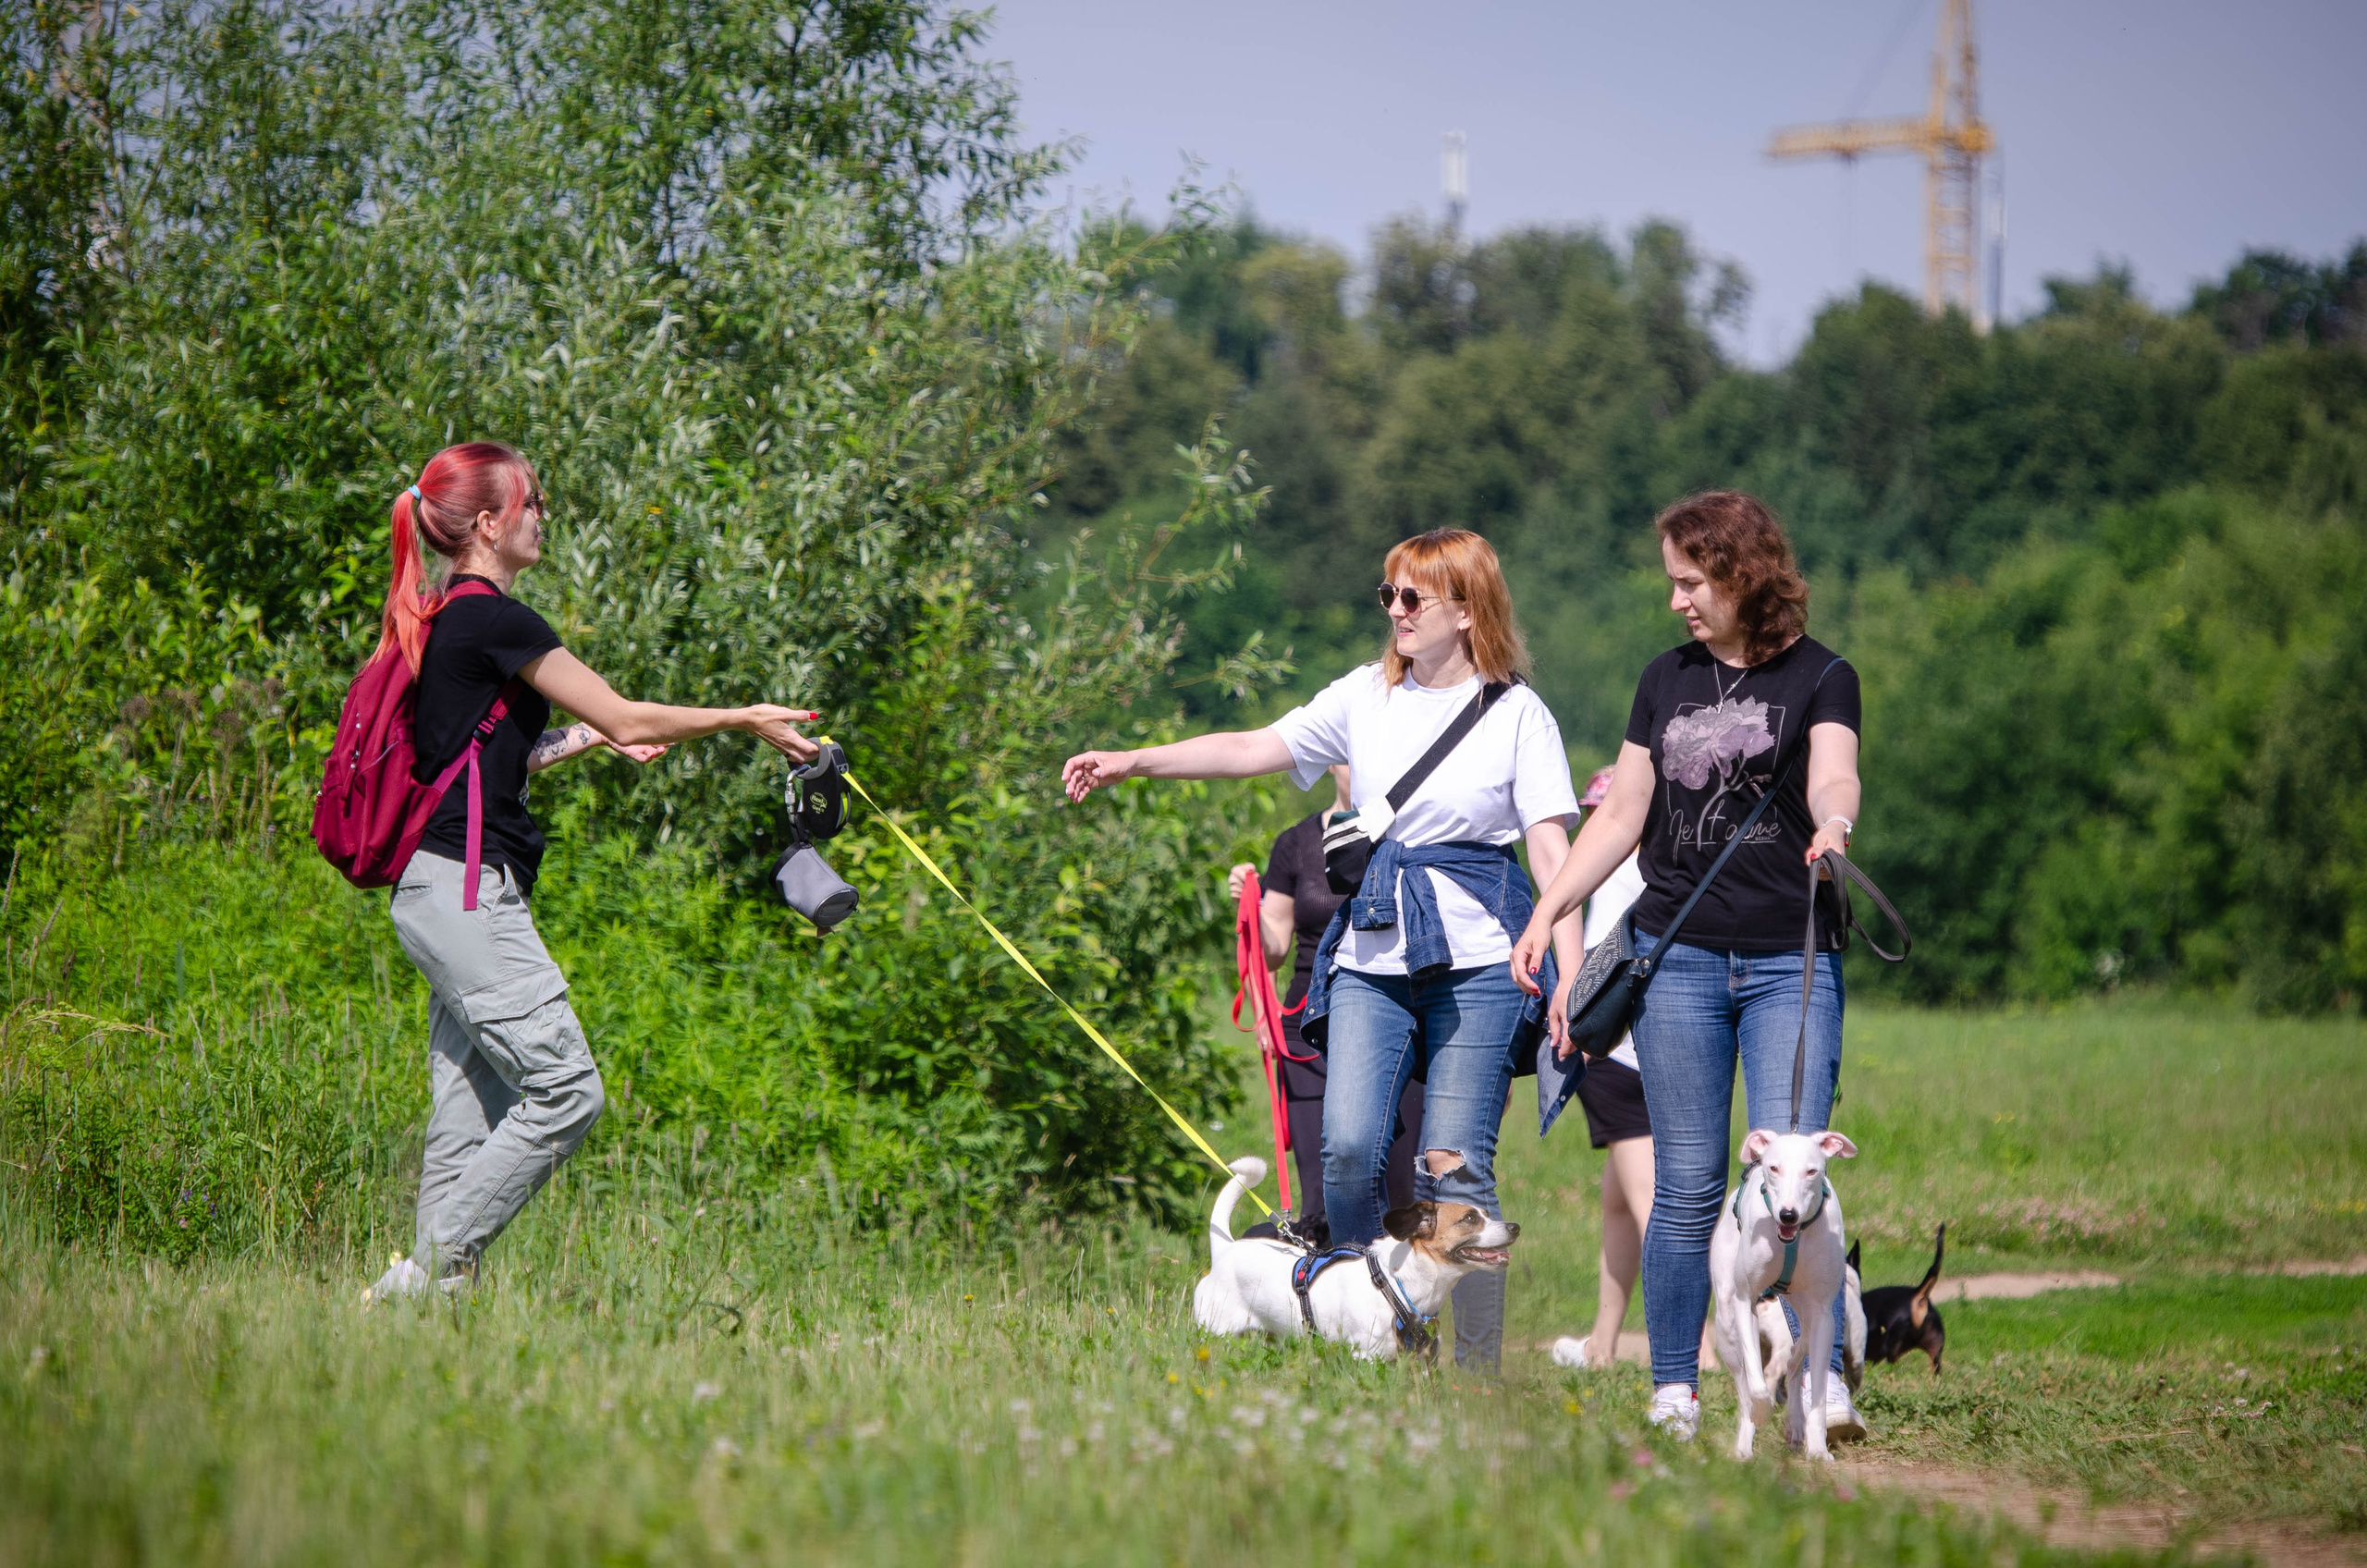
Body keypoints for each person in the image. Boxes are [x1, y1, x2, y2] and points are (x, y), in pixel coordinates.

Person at [1067, 528, 1584, 1370]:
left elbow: (1553, 851)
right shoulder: (1363, 695)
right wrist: (1135, 760)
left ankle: (1477, 1374)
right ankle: (1357, 1337)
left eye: (1413, 597)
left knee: (1455, 1171)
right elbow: (1252, 747)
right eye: (1389, 595)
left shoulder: (1518, 713)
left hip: (1483, 966)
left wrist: (1570, 970)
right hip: (1375, 962)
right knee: (1346, 1146)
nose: (1396, 611)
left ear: (1467, 607)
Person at [364, 442, 816, 1302]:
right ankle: (424, 1278)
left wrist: (591, 739)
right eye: (535, 502)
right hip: (467, 891)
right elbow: (627, 707)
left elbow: (487, 757)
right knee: (566, 1091)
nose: (545, 516)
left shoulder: (448, 618)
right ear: (491, 524)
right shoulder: (498, 620)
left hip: (437, 889)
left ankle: (417, 1328)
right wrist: (742, 717)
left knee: (468, 1116)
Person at [1511, 490, 1867, 1441]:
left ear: (1741, 574)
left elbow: (1835, 770)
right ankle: (1674, 1385)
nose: (1676, 600)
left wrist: (1833, 823)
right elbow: (1621, 815)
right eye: (1672, 581)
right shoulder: (1662, 680)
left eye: (1689, 580)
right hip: (1675, 957)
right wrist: (1548, 909)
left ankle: (1819, 1376)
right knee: (1686, 1184)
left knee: (1795, 1162)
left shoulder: (1822, 676)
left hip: (1789, 955)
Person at [1228, 765, 1425, 1241]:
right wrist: (1253, 911)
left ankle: (1405, 1313)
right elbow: (1274, 942)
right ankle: (1331, 1312)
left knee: (1407, 1195)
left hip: (1401, 1023)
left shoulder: (1414, 832)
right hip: (1309, 1033)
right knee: (1321, 1200)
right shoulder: (1296, 843)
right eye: (1346, 753)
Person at [1548, 766, 1658, 1372]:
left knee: (1654, 1206)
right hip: (1627, 1059)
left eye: (1604, 811)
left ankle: (1698, 1347)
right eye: (1592, 811)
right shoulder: (1632, 872)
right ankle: (1602, 1346)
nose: (1596, 822)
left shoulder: (1627, 874)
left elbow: (1604, 964)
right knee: (1619, 1205)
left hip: (1624, 1059)